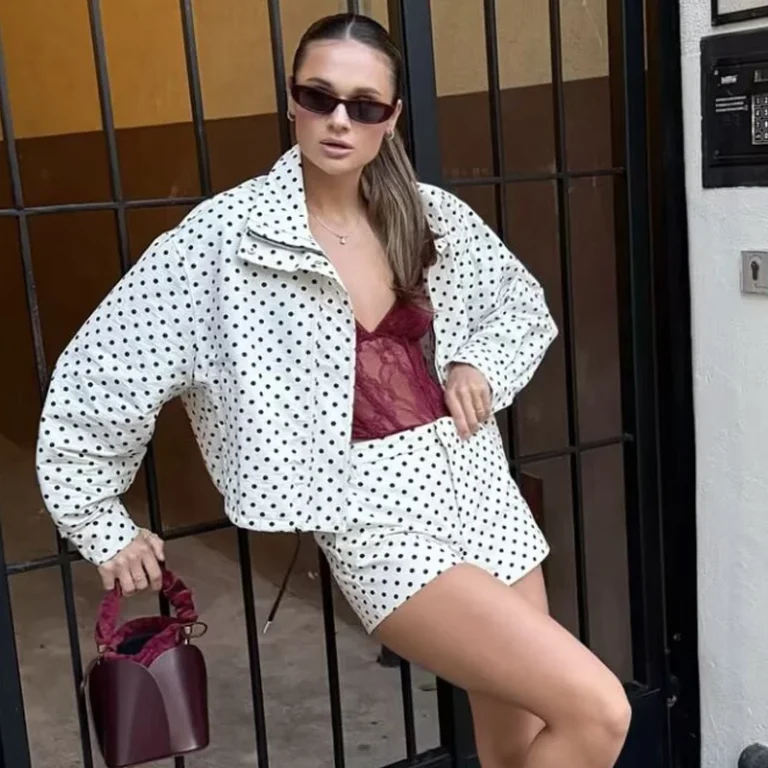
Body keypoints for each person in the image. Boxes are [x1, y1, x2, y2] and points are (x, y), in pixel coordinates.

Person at [36, 13, 631, 768]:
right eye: (319, 96)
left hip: (479, 485)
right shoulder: (224, 239)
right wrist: (98, 519)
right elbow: (104, 371)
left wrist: (476, 363)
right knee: (598, 710)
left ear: (392, 117)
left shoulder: (429, 215)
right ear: (292, 100)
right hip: (368, 513)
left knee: (517, 744)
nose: (340, 120)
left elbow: (517, 305)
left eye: (365, 104)